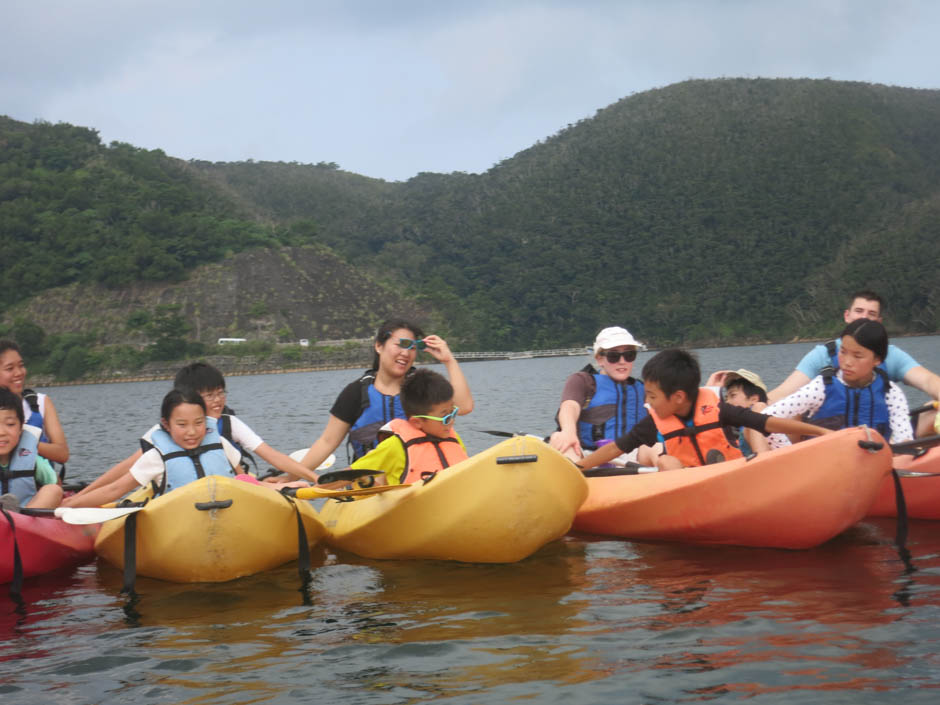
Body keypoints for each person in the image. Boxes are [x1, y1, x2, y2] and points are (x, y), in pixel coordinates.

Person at [72, 362, 319, 502]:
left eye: (221, 392)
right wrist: (82, 495)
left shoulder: (228, 424)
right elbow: (124, 472)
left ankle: (276, 483)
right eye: (210, 395)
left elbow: (270, 456)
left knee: (262, 480)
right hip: (177, 494)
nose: (218, 400)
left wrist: (313, 478)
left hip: (232, 485)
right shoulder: (161, 437)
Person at [576, 349, 832, 472]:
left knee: (756, 428)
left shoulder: (719, 410)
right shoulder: (655, 422)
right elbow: (616, 448)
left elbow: (769, 423)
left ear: (678, 397)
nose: (649, 403)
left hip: (730, 477)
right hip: (689, 483)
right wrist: (580, 467)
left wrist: (821, 432)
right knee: (666, 460)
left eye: (653, 396)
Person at [298, 319, 473, 471]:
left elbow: (464, 407)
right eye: (401, 344)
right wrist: (290, 476)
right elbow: (327, 442)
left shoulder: (422, 387)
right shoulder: (355, 393)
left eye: (412, 347)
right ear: (379, 346)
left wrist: (448, 360)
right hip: (370, 487)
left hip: (418, 481)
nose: (406, 353)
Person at [767, 290, 940, 436]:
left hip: (882, 440)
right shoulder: (823, 356)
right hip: (826, 443)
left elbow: (927, 381)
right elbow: (785, 392)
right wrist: (752, 408)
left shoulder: (891, 360)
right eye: (859, 311)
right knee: (788, 414)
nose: (864, 317)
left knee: (934, 412)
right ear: (847, 316)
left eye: (871, 314)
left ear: (879, 322)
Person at [61, 389, 243, 508]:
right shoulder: (156, 457)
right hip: (177, 527)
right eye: (182, 424)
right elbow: (115, 490)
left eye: (198, 423)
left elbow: (242, 478)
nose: (192, 432)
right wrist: (69, 506)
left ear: (206, 420)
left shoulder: (220, 444)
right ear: (166, 424)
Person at [761, 319, 913, 448]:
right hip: (823, 471)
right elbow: (766, 417)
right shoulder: (821, 387)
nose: (847, 362)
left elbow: (905, 440)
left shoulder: (890, 393)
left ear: (877, 360)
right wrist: (789, 455)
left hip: (872, 470)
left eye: (857, 356)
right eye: (843, 352)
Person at [340, 368, 468, 486]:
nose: (451, 421)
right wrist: (322, 486)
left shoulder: (452, 436)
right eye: (445, 418)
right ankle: (374, 480)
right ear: (417, 422)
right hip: (413, 505)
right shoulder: (395, 446)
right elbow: (349, 474)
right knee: (375, 463)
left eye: (453, 412)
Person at [549, 327, 657, 465]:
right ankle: (576, 478)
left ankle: (675, 479)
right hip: (588, 455)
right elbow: (570, 406)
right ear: (600, 359)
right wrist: (568, 431)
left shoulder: (645, 389)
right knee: (559, 437)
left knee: (657, 448)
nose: (622, 361)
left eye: (629, 355)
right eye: (614, 356)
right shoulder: (584, 381)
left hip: (633, 456)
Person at [0, 340, 69, 465]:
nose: (19, 373)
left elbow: (62, 454)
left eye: (21, 366)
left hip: (38, 483)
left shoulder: (41, 402)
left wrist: (24, 441)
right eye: (10, 368)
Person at [0, 386, 63, 510]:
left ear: (21, 428)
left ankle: (15, 519)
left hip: (25, 517)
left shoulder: (32, 459)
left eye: (10, 424)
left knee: (53, 490)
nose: (2, 432)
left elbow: (56, 484)